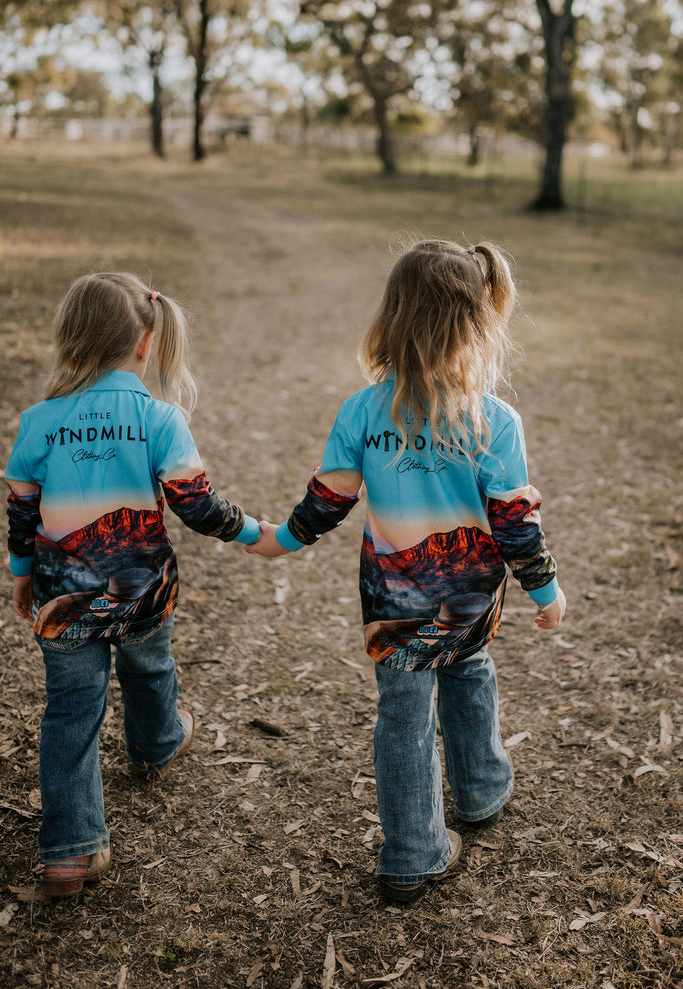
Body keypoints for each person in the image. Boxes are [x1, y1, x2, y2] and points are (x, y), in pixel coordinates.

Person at [247, 239, 566, 903]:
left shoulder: (363, 410)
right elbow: (514, 525)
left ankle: (410, 855)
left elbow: (327, 500)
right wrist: (545, 589)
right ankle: (479, 793)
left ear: (392, 315)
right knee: (470, 670)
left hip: (392, 598)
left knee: (401, 712)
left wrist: (283, 538)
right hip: (471, 595)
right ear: (475, 320)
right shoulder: (493, 420)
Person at [5, 272, 261, 897]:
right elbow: (197, 506)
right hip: (142, 589)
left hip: (62, 594)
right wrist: (256, 532)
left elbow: (21, 512)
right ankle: (156, 744)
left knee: (70, 710)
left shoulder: (38, 421)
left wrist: (20, 574)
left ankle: (70, 852)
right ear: (146, 344)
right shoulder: (159, 418)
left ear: (69, 340)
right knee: (149, 667)